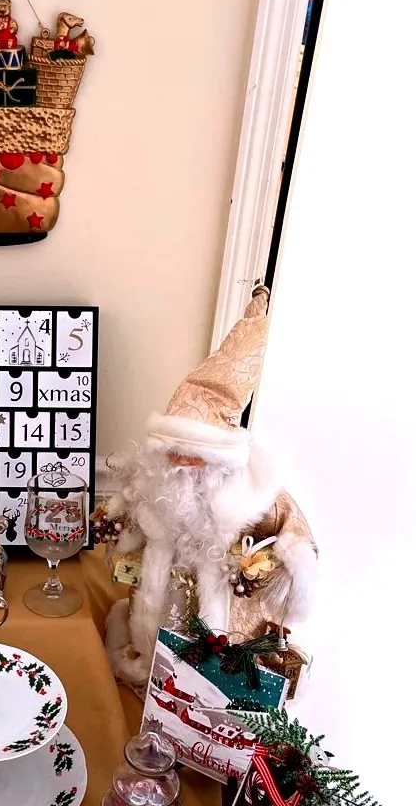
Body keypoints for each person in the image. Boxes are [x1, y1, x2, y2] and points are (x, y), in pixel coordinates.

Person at [105, 290, 317, 685]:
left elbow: (297, 544)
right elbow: (131, 516)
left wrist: (274, 568)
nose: (182, 462)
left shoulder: (257, 496)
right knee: (152, 639)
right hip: (161, 592)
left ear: (221, 457)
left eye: (194, 454)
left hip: (225, 607)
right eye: (172, 452)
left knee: (217, 670)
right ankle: (151, 664)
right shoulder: (156, 484)